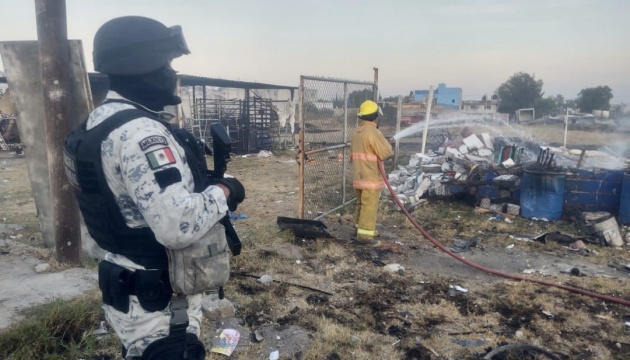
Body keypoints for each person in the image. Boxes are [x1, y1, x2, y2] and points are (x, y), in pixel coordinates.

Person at [63, 16, 244, 359]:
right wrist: (225, 191)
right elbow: (176, 226)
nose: (171, 74)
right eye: (166, 64)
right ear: (141, 66)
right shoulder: (143, 134)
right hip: (159, 306)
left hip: (126, 287)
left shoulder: (95, 124)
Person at [350, 100, 393, 247]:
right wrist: (387, 143)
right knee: (369, 206)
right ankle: (365, 236)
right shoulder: (373, 132)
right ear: (375, 116)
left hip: (358, 176)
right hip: (370, 177)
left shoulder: (357, 131)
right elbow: (386, 153)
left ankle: (358, 228)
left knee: (361, 203)